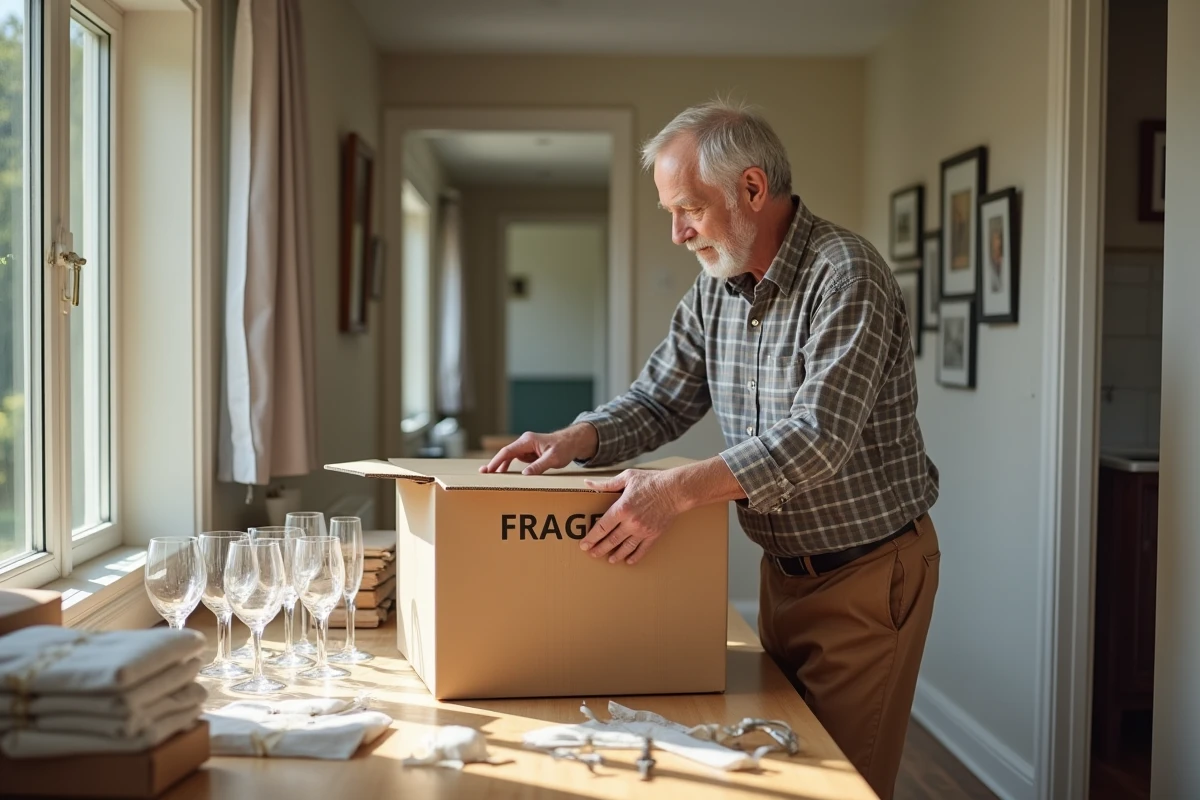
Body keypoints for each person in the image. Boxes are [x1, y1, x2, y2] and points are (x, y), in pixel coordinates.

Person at [480, 99, 940, 800]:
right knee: (779, 773)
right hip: (782, 572)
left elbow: (817, 440)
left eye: (687, 208)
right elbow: (660, 399)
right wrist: (574, 438)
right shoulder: (713, 288)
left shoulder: (847, 276)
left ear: (751, 189)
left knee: (840, 785)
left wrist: (676, 491)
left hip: (869, 574)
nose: (675, 233)